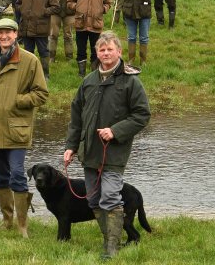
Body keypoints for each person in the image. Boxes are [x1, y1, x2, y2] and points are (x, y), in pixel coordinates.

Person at [63, 32, 150, 259]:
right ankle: (110, 239)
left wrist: (115, 131)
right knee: (93, 199)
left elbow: (142, 115)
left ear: (119, 52)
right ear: (97, 53)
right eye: (102, 50)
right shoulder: (88, 81)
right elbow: (76, 117)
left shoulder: (131, 81)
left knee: (110, 196)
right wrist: (71, 147)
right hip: (89, 151)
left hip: (115, 153)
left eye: (110, 49)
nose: (106, 53)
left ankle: (111, 248)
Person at [0, 18, 49, 238]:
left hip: (17, 128)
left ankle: (22, 225)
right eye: (0, 33)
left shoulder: (30, 60)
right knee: (0, 176)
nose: (4, 36)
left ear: (16, 34)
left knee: (17, 174)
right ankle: (7, 220)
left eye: (8, 32)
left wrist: (16, 101)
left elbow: (41, 94)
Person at [66, 0, 111, 77]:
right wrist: (76, 7)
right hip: (81, 24)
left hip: (96, 24)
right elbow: (69, 2)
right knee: (81, 50)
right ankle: (81, 73)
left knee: (95, 50)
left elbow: (108, 2)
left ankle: (95, 73)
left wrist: (103, 9)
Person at [15, 0, 60, 80]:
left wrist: (44, 11)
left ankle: (45, 74)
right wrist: (23, 10)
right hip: (26, 27)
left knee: (43, 51)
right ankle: (29, 74)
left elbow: (56, 7)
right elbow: (17, 3)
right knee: (28, 52)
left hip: (41, 28)